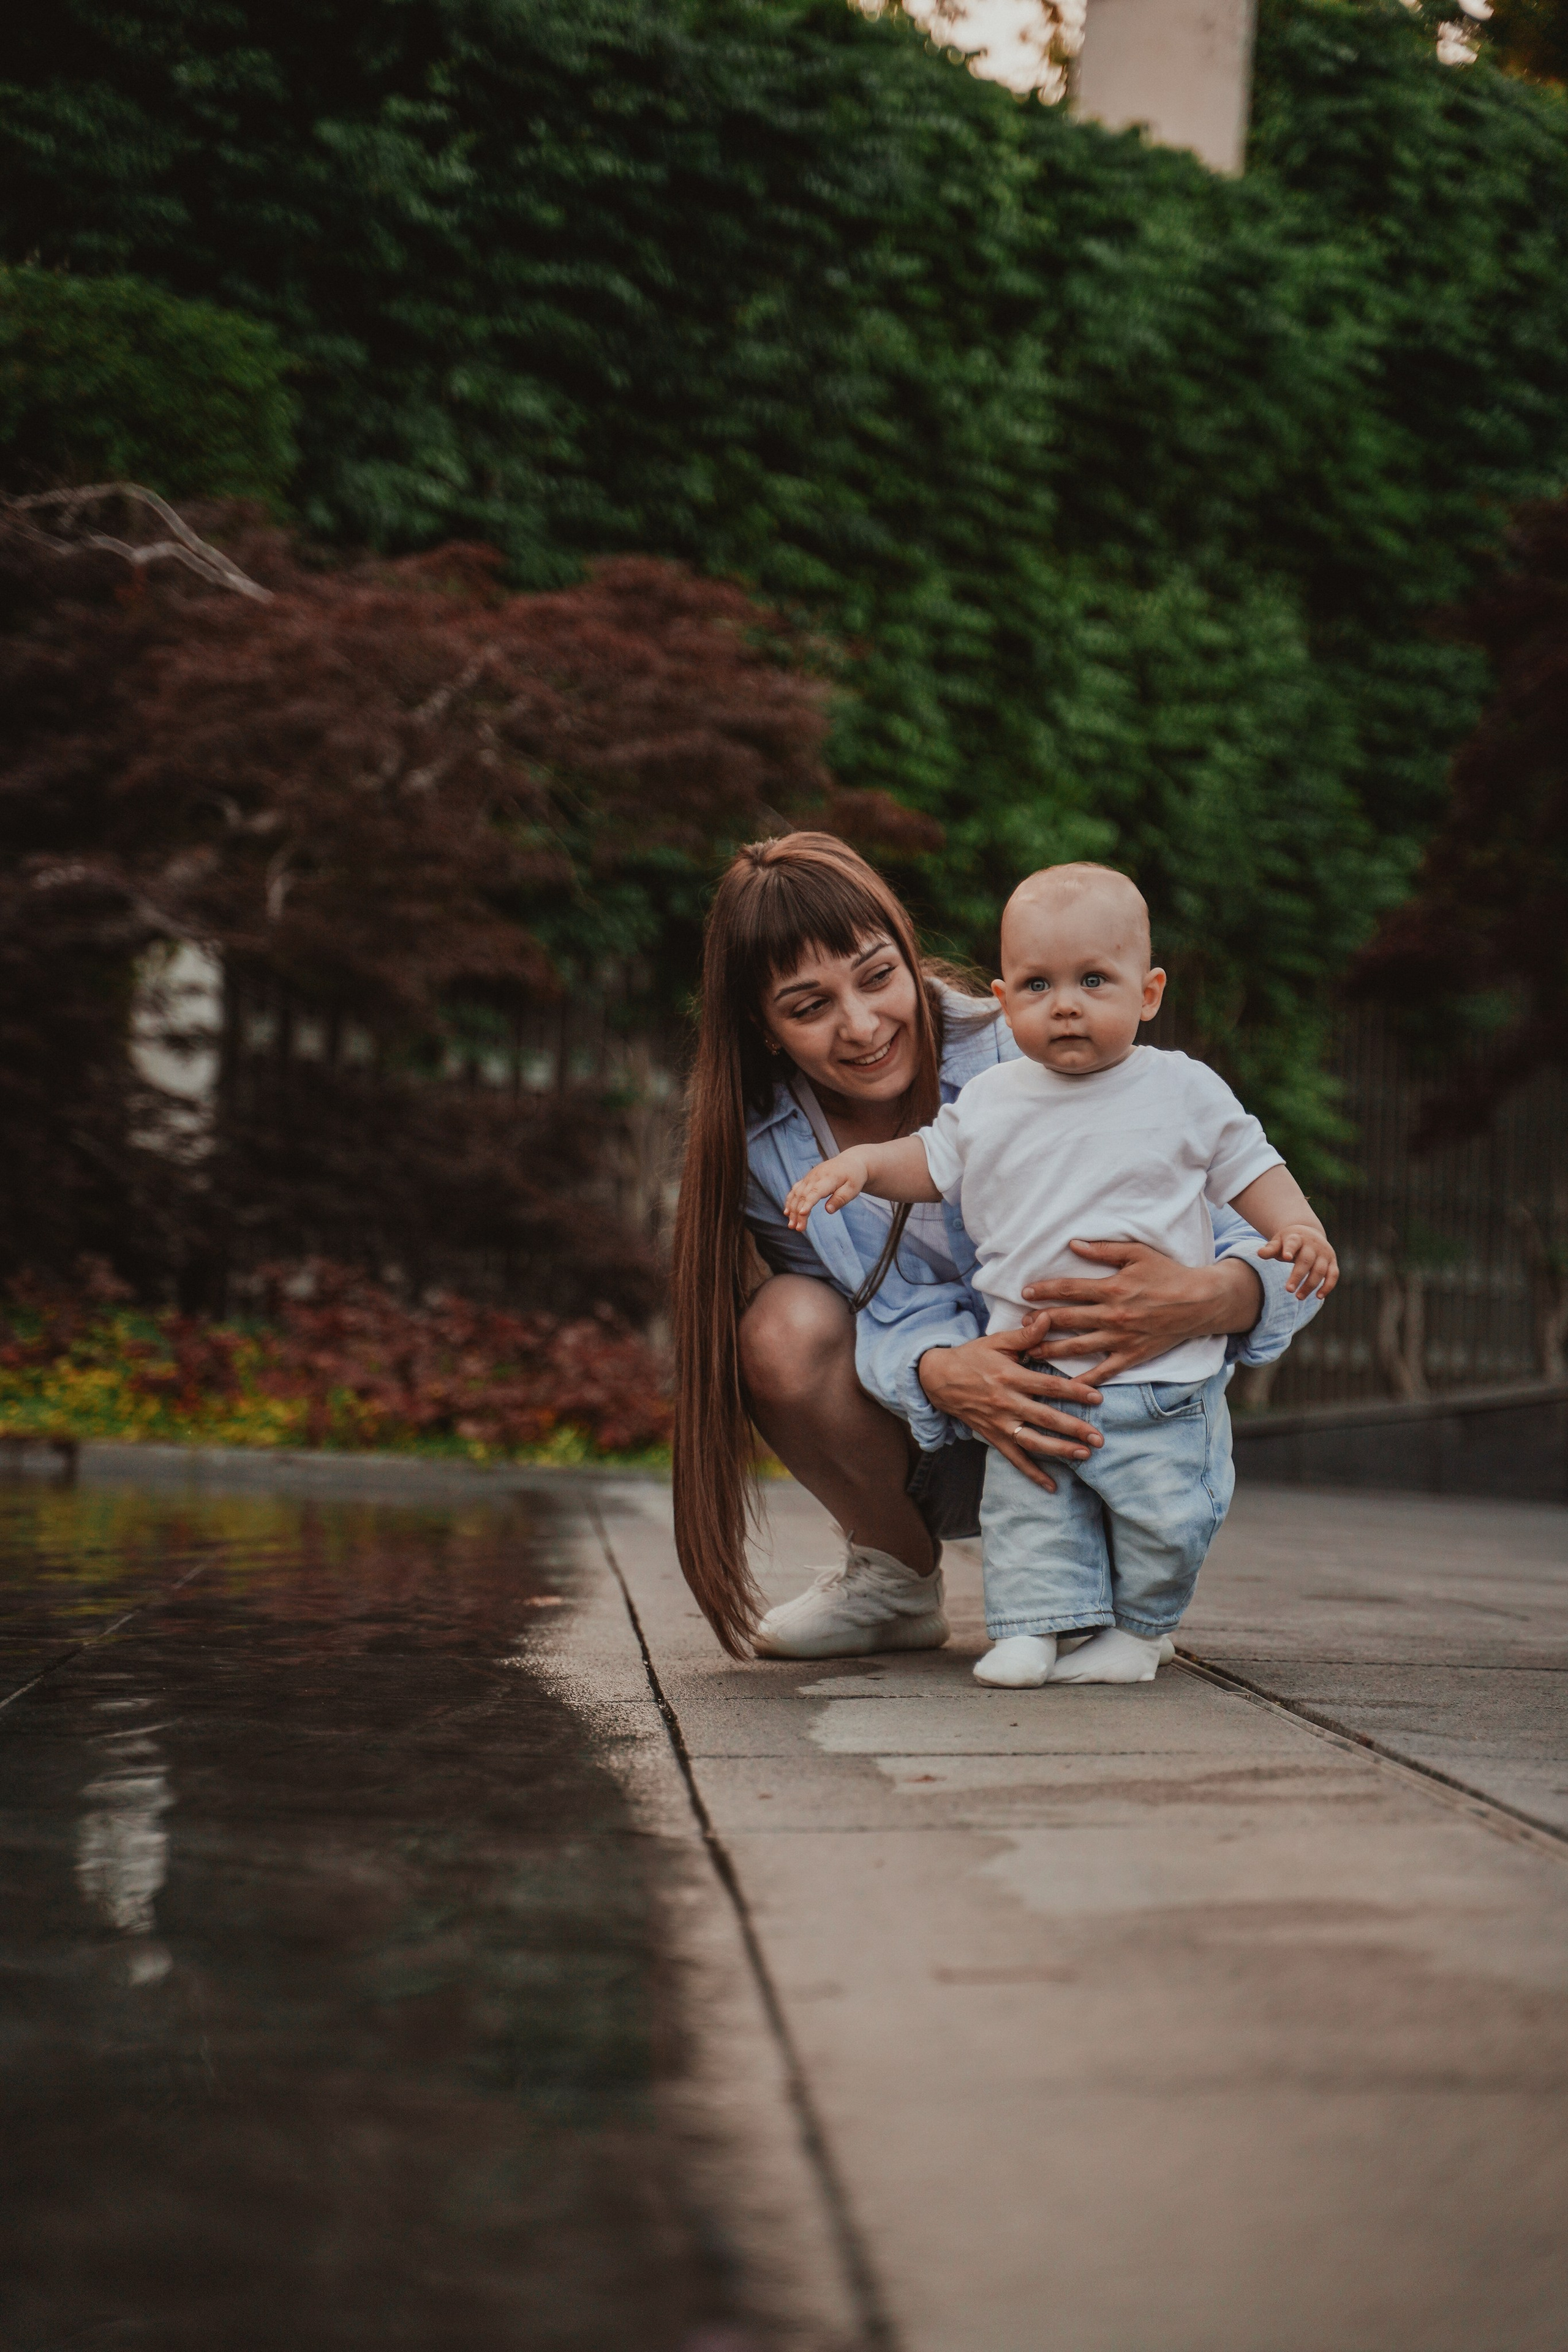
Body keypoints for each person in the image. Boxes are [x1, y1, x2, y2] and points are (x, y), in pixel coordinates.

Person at [669, 834, 1325, 1660]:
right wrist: (937, 1367)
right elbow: (844, 1324)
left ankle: (1119, 1597)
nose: (863, 1026)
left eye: (878, 977)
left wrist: (1216, 1296)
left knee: (1119, 1569)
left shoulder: (1042, 1038)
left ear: (911, 959)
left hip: (1114, 1420)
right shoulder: (769, 1151)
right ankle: (895, 1578)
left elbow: (1283, 1246)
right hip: (935, 1439)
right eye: (809, 1007)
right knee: (781, 1324)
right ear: (763, 1028)